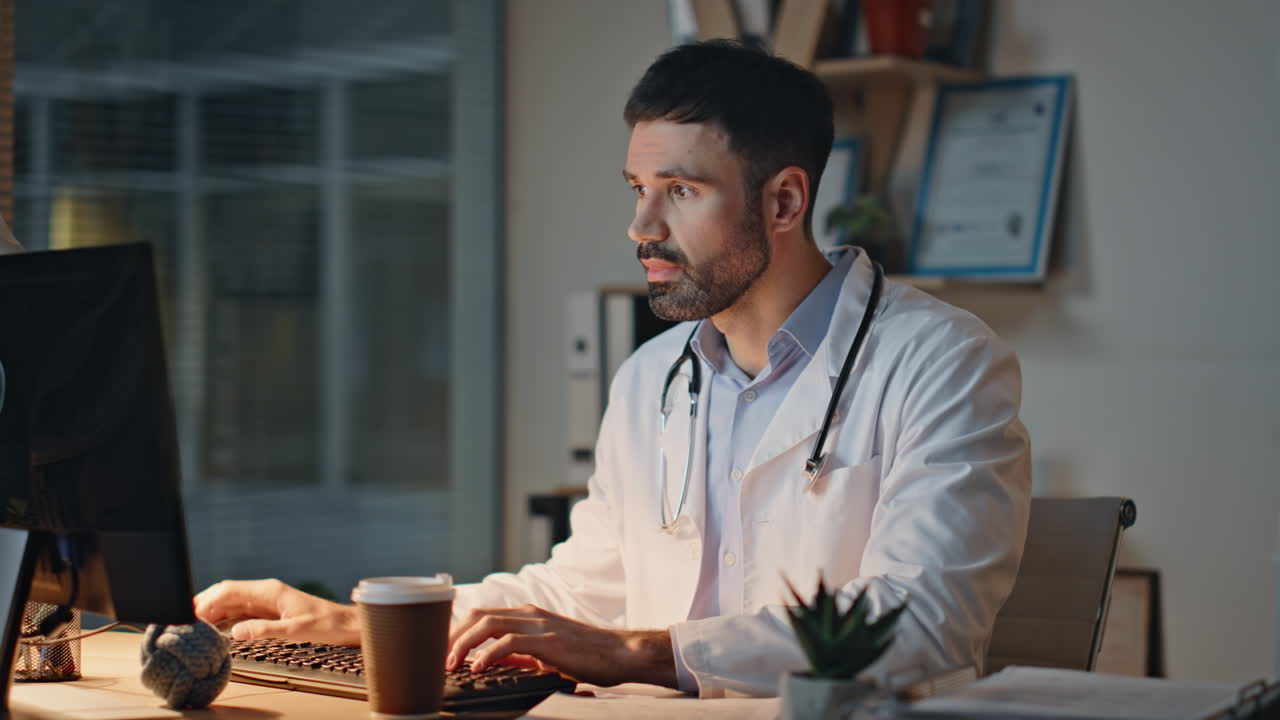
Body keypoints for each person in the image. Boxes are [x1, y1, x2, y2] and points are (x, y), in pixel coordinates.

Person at [195, 40, 1030, 697]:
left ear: (783, 201)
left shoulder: (941, 361)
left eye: (679, 191)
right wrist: (356, 622)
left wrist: (639, 651)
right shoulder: (651, 377)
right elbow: (578, 596)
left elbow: (923, 622)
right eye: (635, 187)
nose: (640, 225)